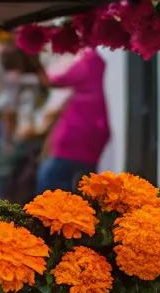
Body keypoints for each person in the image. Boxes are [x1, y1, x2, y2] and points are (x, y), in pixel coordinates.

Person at [35, 47, 110, 193]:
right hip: (91, 146)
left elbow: (52, 80)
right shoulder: (97, 68)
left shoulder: (88, 62)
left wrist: (35, 63)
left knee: (50, 187)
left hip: (71, 146)